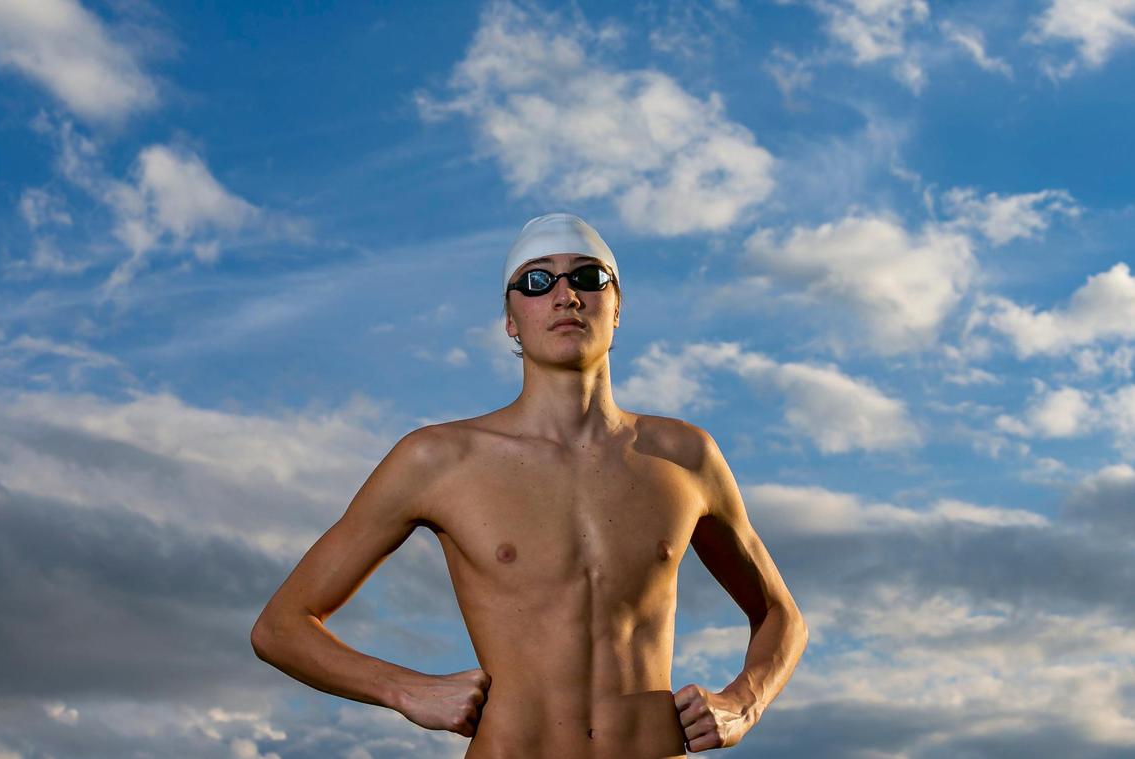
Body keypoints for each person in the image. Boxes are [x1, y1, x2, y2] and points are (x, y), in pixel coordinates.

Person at [251, 213, 808, 757]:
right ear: (511, 320)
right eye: (537, 281)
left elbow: (781, 615)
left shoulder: (685, 456)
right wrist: (405, 688)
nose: (565, 295)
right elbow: (280, 628)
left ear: (617, 309)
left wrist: (744, 703)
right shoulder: (439, 458)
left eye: (588, 277)